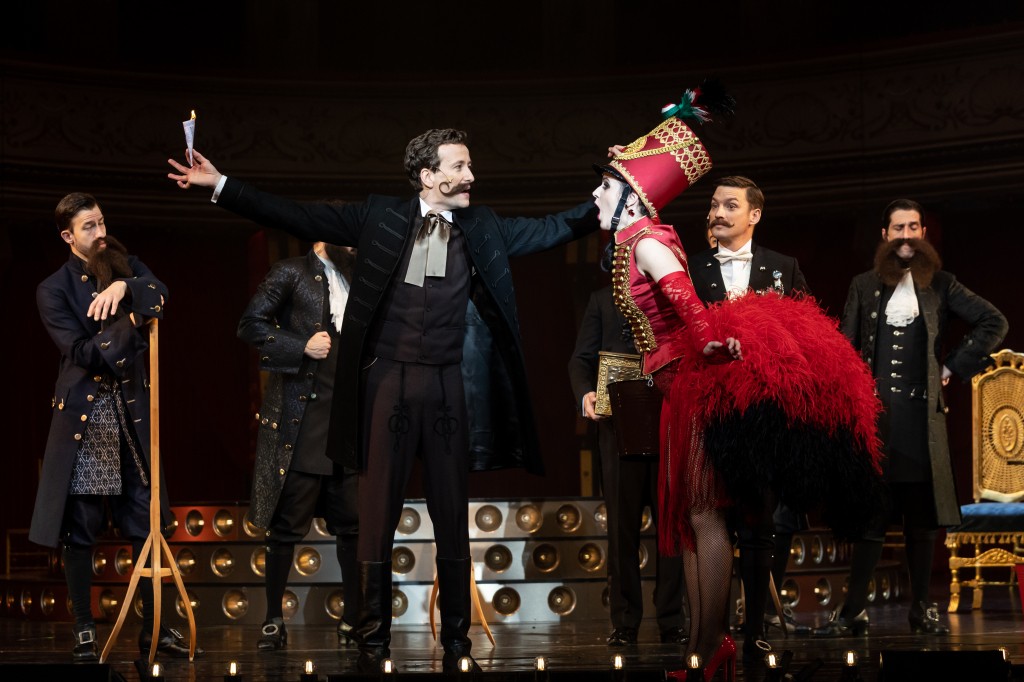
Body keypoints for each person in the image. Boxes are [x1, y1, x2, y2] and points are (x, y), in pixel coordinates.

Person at [166, 130, 599, 672]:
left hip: (446, 386)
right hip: (388, 383)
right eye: (459, 166)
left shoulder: (481, 226)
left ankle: (458, 642)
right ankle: (372, 642)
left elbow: (553, 228)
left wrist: (609, 200)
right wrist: (221, 185)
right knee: (375, 513)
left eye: (469, 166)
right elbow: (295, 214)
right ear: (427, 176)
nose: (470, 176)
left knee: (451, 511)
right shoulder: (380, 217)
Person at [591, 82, 884, 681]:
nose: (596, 195)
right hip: (678, 388)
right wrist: (636, 160)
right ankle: (705, 650)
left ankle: (712, 646)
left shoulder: (649, 243)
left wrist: (707, 341)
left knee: (706, 518)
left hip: (696, 387)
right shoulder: (639, 238)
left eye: (607, 187)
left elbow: (687, 305)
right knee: (696, 521)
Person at [814, 199, 1008, 637]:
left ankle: (922, 609)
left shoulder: (942, 284)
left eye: (913, 227)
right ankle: (852, 611)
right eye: (898, 228)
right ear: (885, 234)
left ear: (923, 233)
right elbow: (844, 347)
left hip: (922, 422)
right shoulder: (863, 285)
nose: (906, 236)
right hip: (875, 420)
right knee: (870, 519)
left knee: (921, 522)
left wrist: (952, 366)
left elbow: (993, 321)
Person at [30, 192, 195, 661]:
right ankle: (84, 627)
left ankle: (155, 627)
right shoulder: (53, 289)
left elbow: (160, 291)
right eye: (89, 227)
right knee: (81, 525)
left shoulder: (125, 263)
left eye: (101, 221)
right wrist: (132, 319)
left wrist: (124, 287)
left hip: (133, 411)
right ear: (68, 236)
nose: (101, 232)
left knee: (146, 519)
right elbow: (83, 353)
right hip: (88, 417)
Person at [688, 176, 813, 659]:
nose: (718, 213)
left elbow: (809, 333)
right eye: (714, 205)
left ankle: (755, 628)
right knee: (709, 521)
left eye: (730, 205)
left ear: (754, 214)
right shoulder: (691, 268)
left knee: (759, 523)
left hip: (763, 410)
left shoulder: (784, 266)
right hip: (707, 407)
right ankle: (709, 633)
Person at [237, 241, 360, 652]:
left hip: (347, 423)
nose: (352, 245)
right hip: (303, 422)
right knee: (286, 526)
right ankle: (273, 618)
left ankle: (354, 617)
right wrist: (300, 345)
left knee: (352, 526)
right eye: (344, 236)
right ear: (322, 238)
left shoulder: (358, 278)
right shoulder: (291, 271)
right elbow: (250, 324)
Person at [568, 284, 686, 646]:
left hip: (667, 424)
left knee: (672, 528)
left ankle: (672, 618)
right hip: (617, 428)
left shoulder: (674, 294)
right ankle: (624, 621)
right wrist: (585, 393)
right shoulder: (603, 299)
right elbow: (579, 360)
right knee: (621, 529)